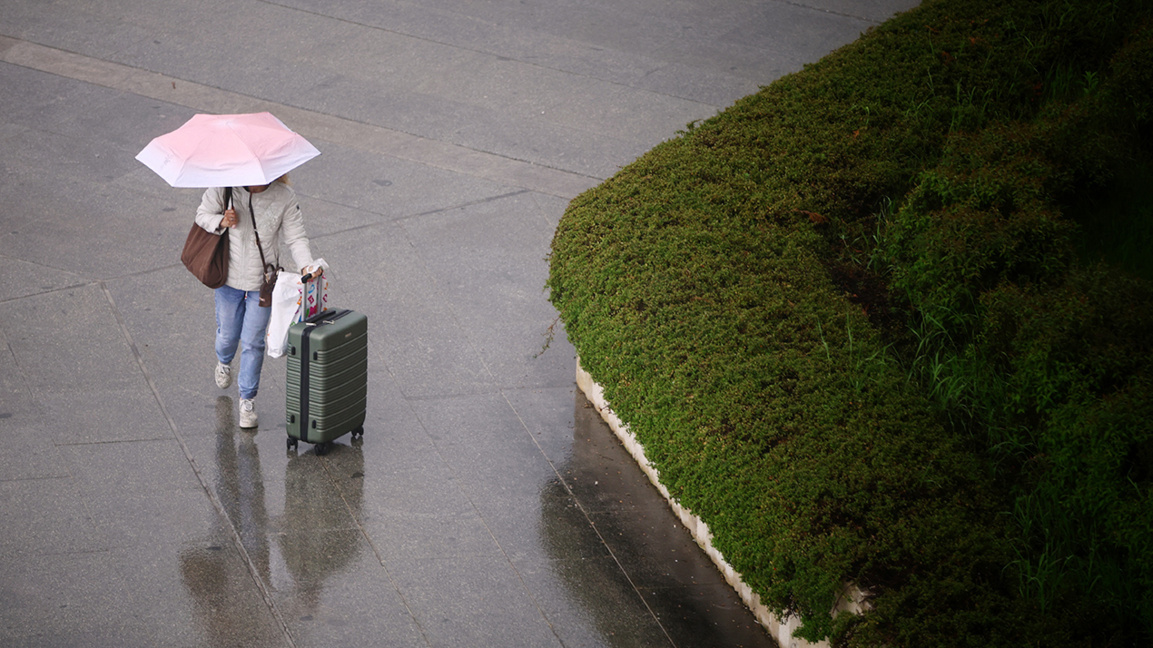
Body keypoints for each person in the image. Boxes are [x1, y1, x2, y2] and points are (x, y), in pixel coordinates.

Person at [195, 175, 318, 428]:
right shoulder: (225, 186)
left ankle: (247, 400)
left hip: (263, 284)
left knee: (253, 342)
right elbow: (201, 215)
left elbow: (296, 237)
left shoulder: (284, 197)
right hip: (227, 279)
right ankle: (224, 361)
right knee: (228, 336)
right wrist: (221, 220)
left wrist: (307, 264)